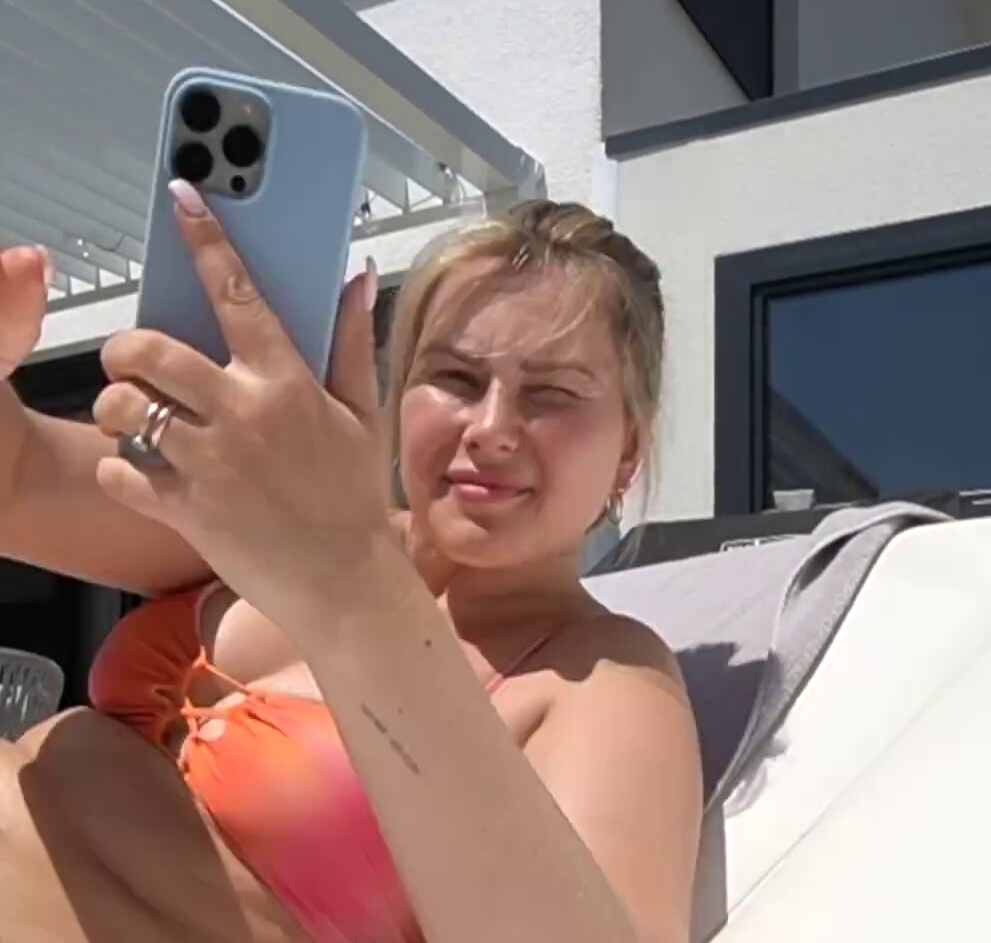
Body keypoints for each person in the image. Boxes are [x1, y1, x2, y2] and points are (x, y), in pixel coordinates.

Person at [0, 183, 702, 943]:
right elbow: (20, 479)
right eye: (456, 379)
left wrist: (352, 579)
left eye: (552, 394)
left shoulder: (606, 680)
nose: (491, 428)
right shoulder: (301, 522)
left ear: (628, 452)